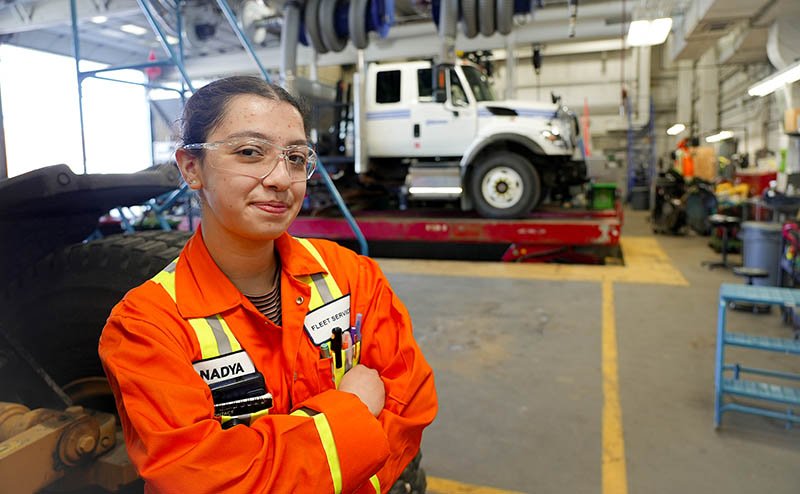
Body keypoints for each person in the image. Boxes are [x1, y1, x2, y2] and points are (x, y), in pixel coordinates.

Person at [99, 76, 438, 493]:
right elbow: (196, 476)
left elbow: (411, 402)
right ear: (191, 167)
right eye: (249, 152)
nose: (281, 178)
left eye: (296, 158)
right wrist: (352, 410)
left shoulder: (351, 277)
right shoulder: (145, 327)